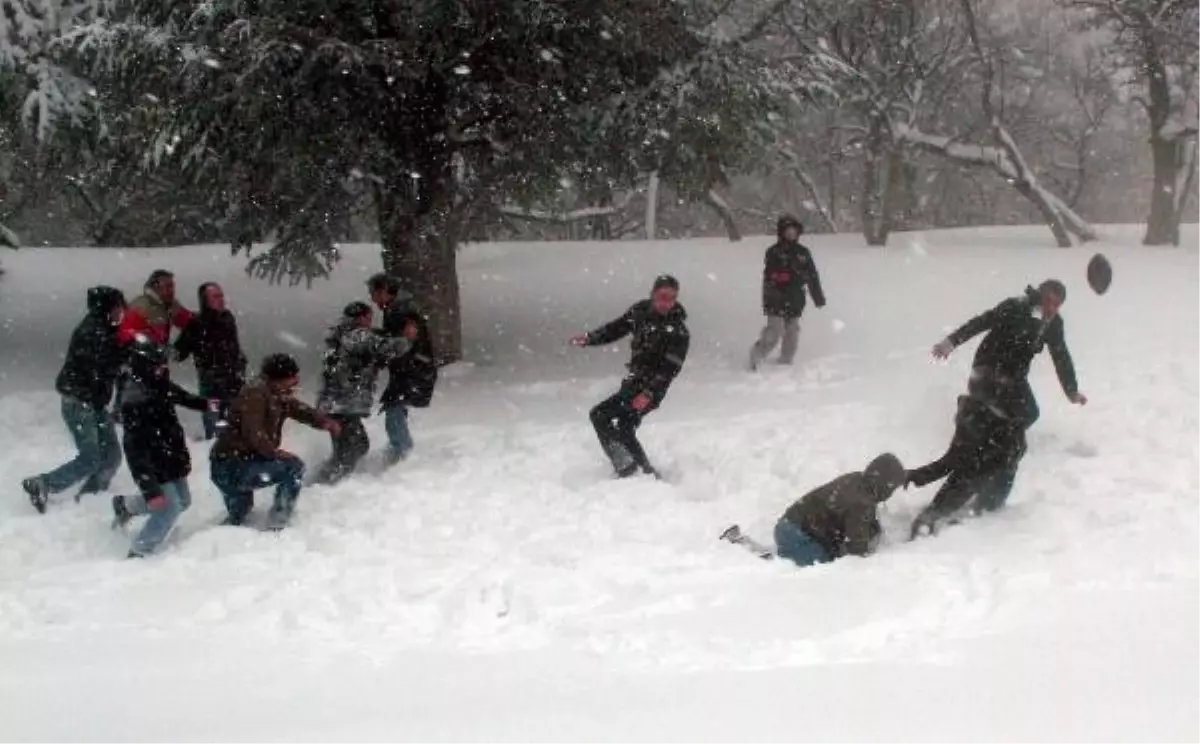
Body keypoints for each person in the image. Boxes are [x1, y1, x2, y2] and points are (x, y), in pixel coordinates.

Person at [570, 274, 690, 478]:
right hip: (634, 381)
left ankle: (631, 469)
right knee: (620, 425)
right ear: (653, 294)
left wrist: (649, 394)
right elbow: (616, 328)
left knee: (603, 417)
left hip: (652, 389)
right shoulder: (640, 311)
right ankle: (638, 470)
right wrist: (590, 338)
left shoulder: (678, 331)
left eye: (671, 298)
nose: (666, 303)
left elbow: (670, 370)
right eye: (662, 296)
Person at [22, 286, 127, 513]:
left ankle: (90, 499)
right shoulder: (93, 332)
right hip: (79, 404)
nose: (122, 312)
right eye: (119, 307)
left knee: (111, 457)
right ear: (107, 308)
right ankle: (43, 484)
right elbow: (103, 367)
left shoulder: (104, 329)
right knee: (92, 458)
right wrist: (126, 356)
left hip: (94, 403)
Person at [932, 279, 1087, 429]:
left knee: (1029, 414)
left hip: (1015, 374)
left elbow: (1061, 356)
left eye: (1057, 305)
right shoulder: (1016, 306)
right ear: (1039, 296)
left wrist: (1071, 390)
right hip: (988, 364)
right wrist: (950, 343)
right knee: (985, 407)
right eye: (1048, 301)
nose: (1051, 308)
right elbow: (981, 322)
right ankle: (969, 412)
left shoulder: (1053, 324)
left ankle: (1001, 438)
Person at [209, 353, 340, 530]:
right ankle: (278, 523)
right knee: (293, 467)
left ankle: (227, 534)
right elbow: (253, 432)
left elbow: (298, 409)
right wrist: (274, 452)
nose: (296, 382)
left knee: (241, 512)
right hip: (231, 464)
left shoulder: (275, 393)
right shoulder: (255, 395)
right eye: (292, 377)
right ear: (279, 378)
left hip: (239, 460)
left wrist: (322, 421)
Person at [110, 335, 212, 558]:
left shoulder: (158, 383)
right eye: (159, 364)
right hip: (154, 462)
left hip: (170, 455)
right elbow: (134, 451)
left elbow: (181, 396)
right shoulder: (134, 400)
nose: (164, 368)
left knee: (183, 501)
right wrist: (150, 490)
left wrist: (206, 404)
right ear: (146, 366)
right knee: (169, 507)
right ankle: (140, 550)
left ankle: (126, 506)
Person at [720, 453, 907, 565]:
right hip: (800, 536)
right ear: (885, 484)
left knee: (788, 557)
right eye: (892, 487)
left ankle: (746, 544)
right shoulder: (862, 502)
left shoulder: (858, 479)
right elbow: (857, 550)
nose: (891, 492)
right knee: (810, 563)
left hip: (790, 525)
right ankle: (742, 547)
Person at [313, 301, 416, 485]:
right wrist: (406, 339)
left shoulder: (342, 335)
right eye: (369, 318)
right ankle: (328, 483)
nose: (370, 322)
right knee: (355, 446)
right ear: (360, 317)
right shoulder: (357, 335)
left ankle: (325, 480)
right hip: (342, 404)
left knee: (350, 446)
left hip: (335, 403)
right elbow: (384, 347)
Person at [906, 394, 1026, 539]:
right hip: (974, 471)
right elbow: (949, 461)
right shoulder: (970, 423)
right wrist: (916, 476)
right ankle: (932, 524)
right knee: (941, 511)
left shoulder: (1002, 429)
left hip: (990, 474)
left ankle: (951, 530)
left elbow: (952, 463)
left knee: (983, 515)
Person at [367, 273, 438, 464]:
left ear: (383, 291)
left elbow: (404, 340)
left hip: (414, 368)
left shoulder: (403, 310)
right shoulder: (396, 308)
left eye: (373, 293)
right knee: (395, 407)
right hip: (409, 368)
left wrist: (383, 352)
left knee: (394, 408)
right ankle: (398, 451)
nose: (372, 299)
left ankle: (402, 453)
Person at [749, 215, 826, 370]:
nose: (791, 234)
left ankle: (785, 362)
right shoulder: (773, 252)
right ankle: (757, 354)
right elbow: (770, 274)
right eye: (788, 231)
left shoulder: (803, 253)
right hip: (775, 298)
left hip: (795, 299)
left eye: (794, 231)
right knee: (775, 331)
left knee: (792, 333)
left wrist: (817, 297)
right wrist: (781, 277)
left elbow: (812, 276)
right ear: (781, 232)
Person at [174, 282, 248, 439]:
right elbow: (179, 353)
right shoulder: (196, 324)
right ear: (205, 300)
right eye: (216, 296)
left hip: (234, 384)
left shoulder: (227, 318)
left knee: (238, 433)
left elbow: (234, 348)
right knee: (216, 434)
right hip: (211, 388)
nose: (221, 299)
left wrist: (240, 364)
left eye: (221, 295)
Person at [118, 269, 195, 346]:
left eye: (172, 286)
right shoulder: (142, 306)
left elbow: (188, 320)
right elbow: (126, 334)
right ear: (156, 288)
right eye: (168, 287)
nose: (172, 290)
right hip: (140, 352)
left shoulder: (171, 305)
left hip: (161, 351)